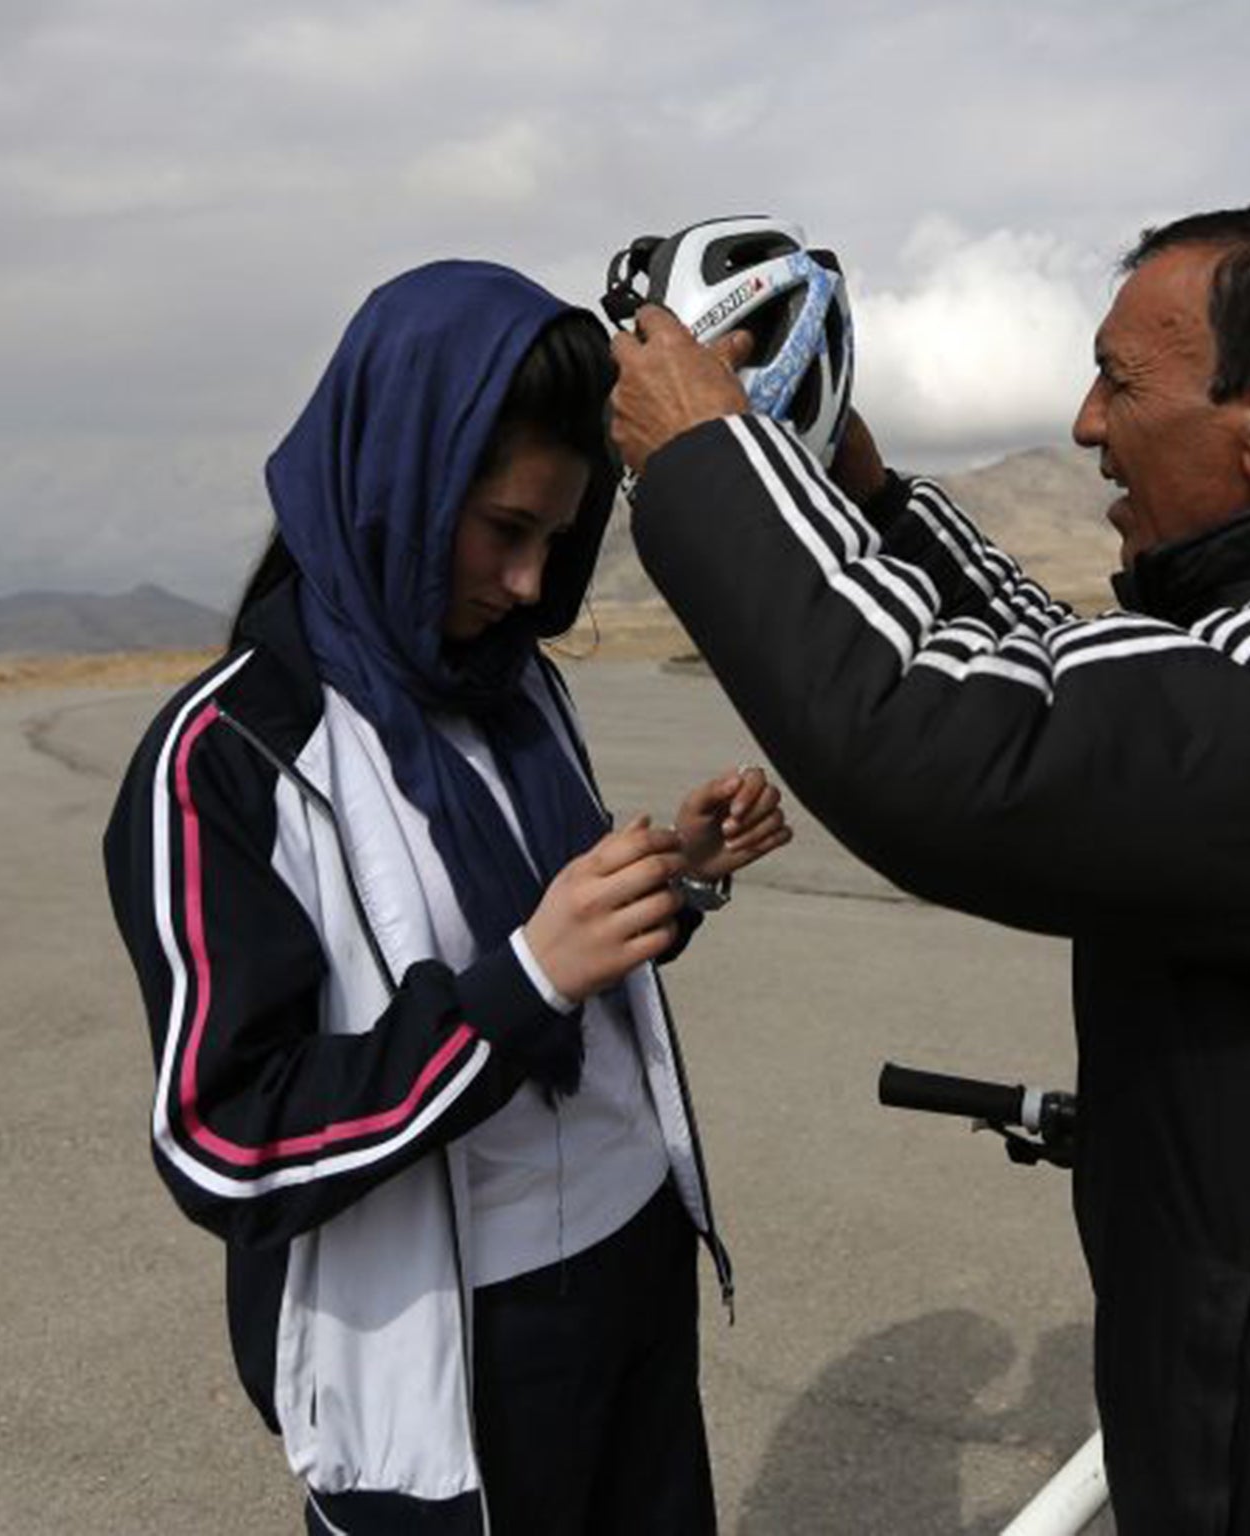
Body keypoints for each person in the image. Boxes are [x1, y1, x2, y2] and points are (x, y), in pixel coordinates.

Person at [605, 198, 1250, 1534]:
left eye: (1120, 379)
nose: (1088, 424)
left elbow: (973, 749)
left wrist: (709, 463)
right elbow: (1081, 685)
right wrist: (872, 506)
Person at [102, 260, 790, 1535]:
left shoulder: (514, 688)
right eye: (503, 531)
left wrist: (674, 877)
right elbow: (224, 1138)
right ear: (397, 486)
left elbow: (554, 948)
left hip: (636, 1268)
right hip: (456, 1344)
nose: (530, 586)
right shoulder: (228, 759)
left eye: (556, 538)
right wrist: (516, 991)